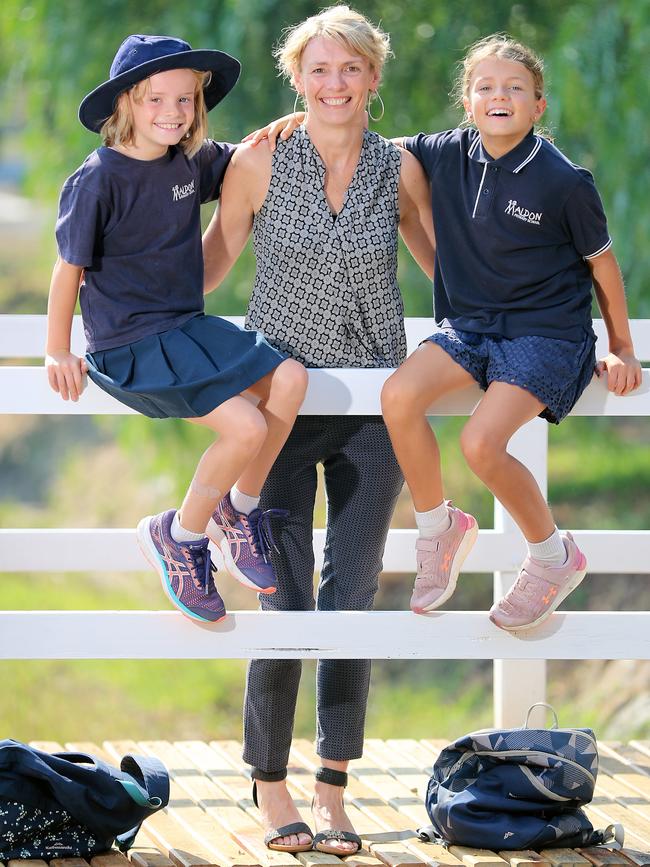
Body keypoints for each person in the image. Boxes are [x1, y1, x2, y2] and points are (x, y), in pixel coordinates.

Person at [202, 5, 434, 855]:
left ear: (374, 78)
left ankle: (334, 785)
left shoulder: (400, 167)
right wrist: (155, 325)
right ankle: (270, 785)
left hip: (377, 404)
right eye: (319, 69)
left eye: (351, 69)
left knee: (354, 592)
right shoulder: (260, 159)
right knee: (285, 595)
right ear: (296, 78)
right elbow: (218, 251)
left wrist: (512, 329)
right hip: (282, 404)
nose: (334, 84)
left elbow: (449, 262)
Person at [379, 34, 642, 630]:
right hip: (471, 328)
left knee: (480, 444)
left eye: (515, 88)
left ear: (538, 106)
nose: (499, 96)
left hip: (546, 335)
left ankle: (553, 557)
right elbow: (367, 148)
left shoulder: (565, 182)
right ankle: (439, 527)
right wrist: (305, 117)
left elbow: (603, 265)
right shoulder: (445, 153)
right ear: (466, 101)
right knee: (398, 396)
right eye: (486, 87)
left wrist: (622, 347)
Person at [45, 34, 308, 624]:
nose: (172, 113)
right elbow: (69, 270)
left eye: (185, 100)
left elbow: (248, 160)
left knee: (289, 380)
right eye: (156, 100)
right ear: (126, 106)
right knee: (242, 427)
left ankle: (236, 511)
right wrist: (57, 349)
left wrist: (296, 120)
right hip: (132, 342)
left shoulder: (192, 161)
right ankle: (181, 535)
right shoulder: (98, 179)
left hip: (186, 327)